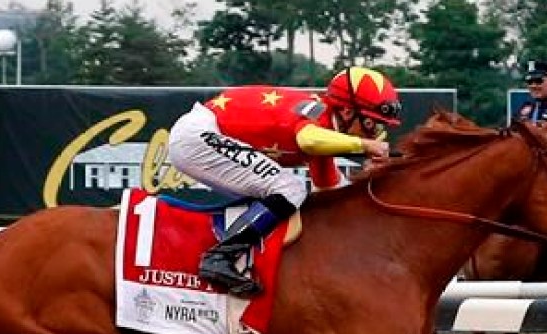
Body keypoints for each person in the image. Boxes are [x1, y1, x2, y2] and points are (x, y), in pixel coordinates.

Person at [167, 67, 399, 298]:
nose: (376, 133)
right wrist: (364, 146)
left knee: (284, 191)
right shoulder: (316, 117)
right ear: (347, 112)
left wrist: (373, 179)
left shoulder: (326, 130)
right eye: (372, 124)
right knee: (289, 188)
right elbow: (307, 140)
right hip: (198, 136)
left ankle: (245, 257)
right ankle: (219, 258)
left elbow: (331, 193)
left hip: (203, 135)